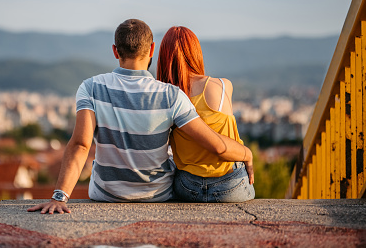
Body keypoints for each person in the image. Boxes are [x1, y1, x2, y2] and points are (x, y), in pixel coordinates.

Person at [28, 19, 254, 214]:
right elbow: (216, 145)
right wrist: (247, 154)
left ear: (116, 51)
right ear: (152, 50)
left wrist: (59, 197)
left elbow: (80, 145)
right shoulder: (171, 95)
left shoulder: (91, 87)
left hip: (106, 194)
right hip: (158, 195)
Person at [157, 26, 255, 202]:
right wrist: (247, 154)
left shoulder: (166, 95)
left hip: (187, 187)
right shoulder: (222, 86)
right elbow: (224, 141)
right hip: (230, 186)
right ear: (195, 53)